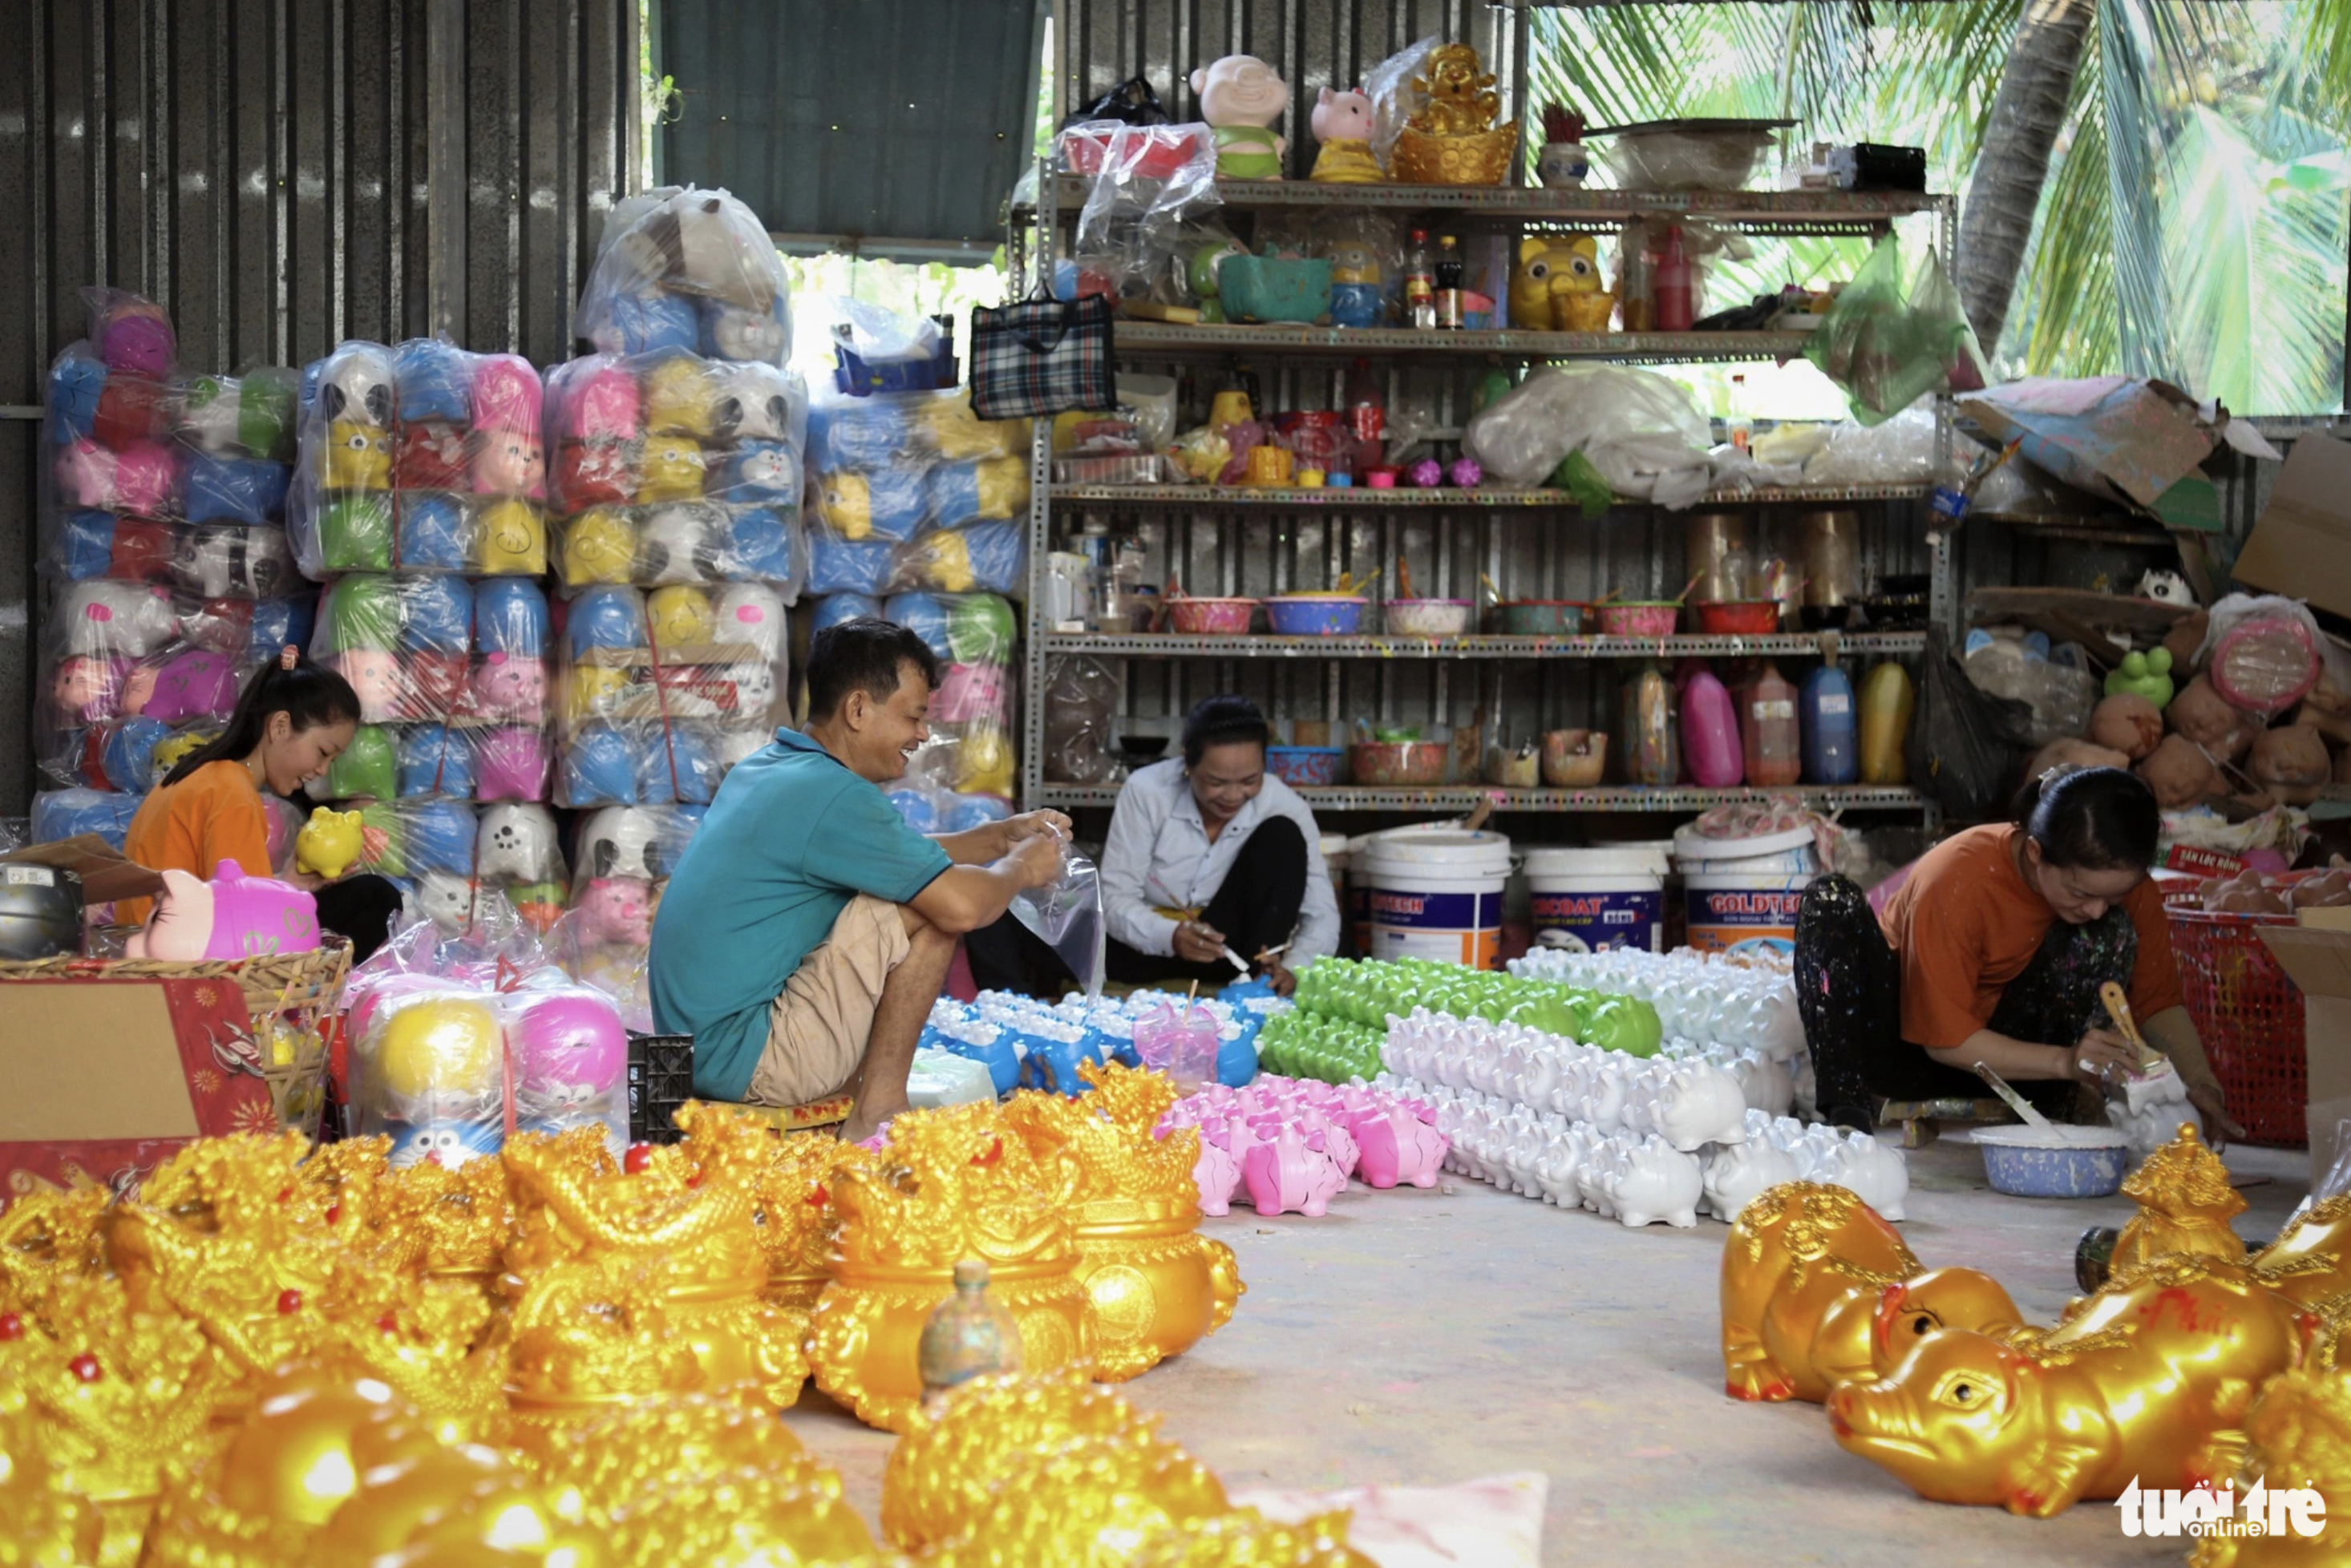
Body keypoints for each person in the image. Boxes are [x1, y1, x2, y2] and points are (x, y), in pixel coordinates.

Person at [649, 618, 1070, 1142]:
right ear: (857, 709)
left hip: (700, 1053)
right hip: (752, 1060)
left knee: (921, 886)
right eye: (914, 717)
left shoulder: (772, 769)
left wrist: (995, 839)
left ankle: (866, 1102)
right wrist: (1022, 869)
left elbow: (892, 858)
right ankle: (878, 1110)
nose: (921, 735)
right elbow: (960, 905)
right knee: (932, 908)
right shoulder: (834, 795)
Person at [1795, 765, 2240, 1142]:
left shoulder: (2120, 887)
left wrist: (2198, 1083)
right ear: (2034, 852)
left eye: (2113, 895)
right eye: (2081, 891)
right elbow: (1944, 1041)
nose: (2096, 907)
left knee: (2108, 929)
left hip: (2029, 1072)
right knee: (1829, 897)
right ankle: (1847, 1120)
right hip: (1913, 1053)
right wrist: (2067, 1061)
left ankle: (2058, 1103)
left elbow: (2157, 1001)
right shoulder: (1958, 878)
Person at [965, 694, 1338, 998]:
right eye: (1216, 781)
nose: (1233, 795)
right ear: (1187, 764)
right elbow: (1114, 898)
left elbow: (1321, 913)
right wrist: (1170, 937)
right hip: (1143, 947)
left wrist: (1294, 967)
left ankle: (1258, 986)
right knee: (994, 903)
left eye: (1249, 781)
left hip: (1233, 952)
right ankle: (1012, 1018)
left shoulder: (1283, 802)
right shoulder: (1147, 790)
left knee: (1282, 835)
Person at [119, 646, 405, 960]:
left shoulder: (202, 774)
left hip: (155, 941)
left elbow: (230, 896)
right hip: (179, 959)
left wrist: (292, 883)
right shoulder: (232, 794)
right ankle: (306, 994)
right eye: (324, 752)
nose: (323, 770)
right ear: (280, 726)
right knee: (377, 896)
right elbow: (248, 924)